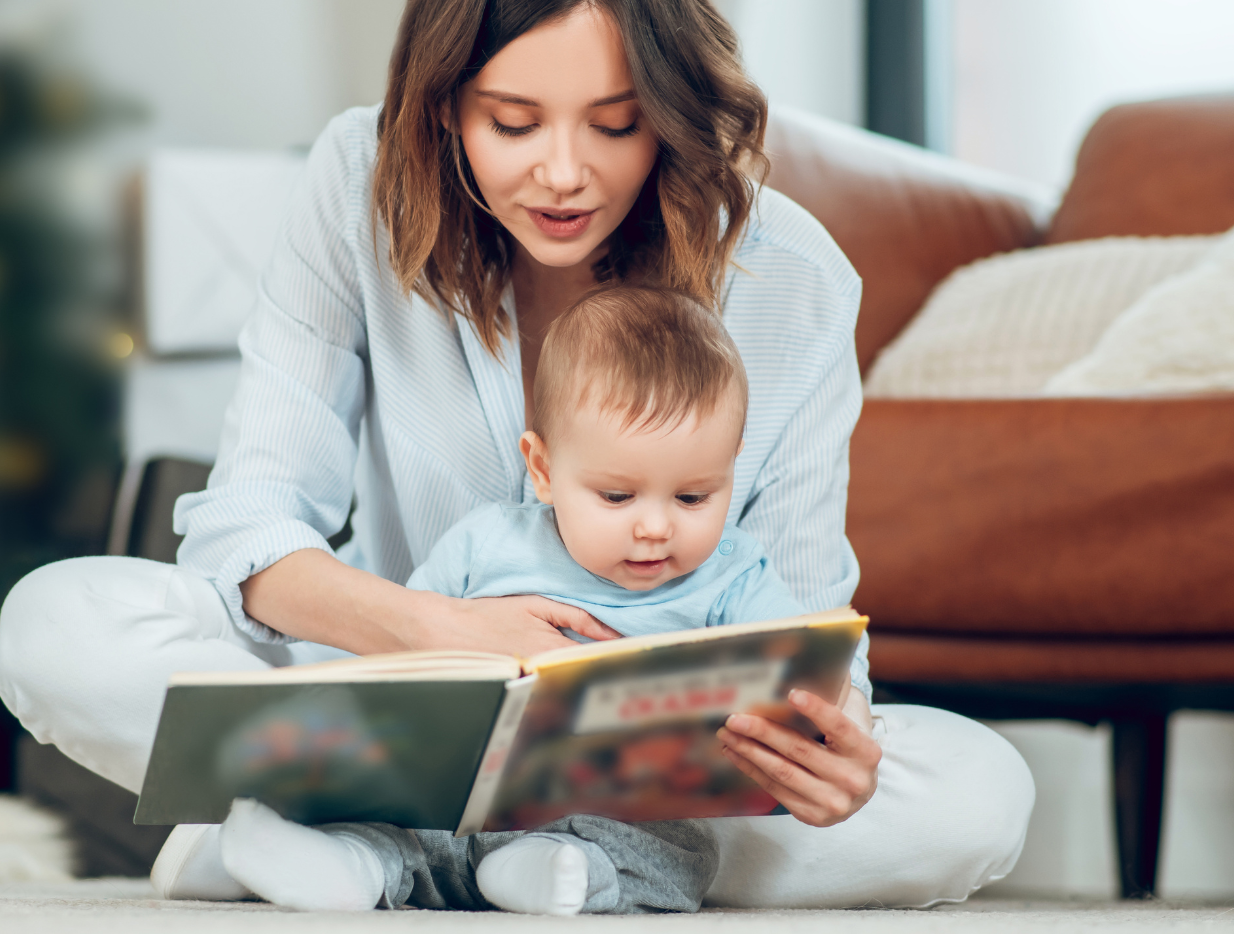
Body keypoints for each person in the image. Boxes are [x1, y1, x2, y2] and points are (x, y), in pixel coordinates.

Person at [0, 0, 1033, 909]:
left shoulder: (790, 277)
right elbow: (249, 531)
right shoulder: (359, 184)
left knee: (978, 795)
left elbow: (805, 626)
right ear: (446, 108)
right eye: (514, 122)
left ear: (670, 115)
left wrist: (829, 745)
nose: (564, 174)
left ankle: (318, 838)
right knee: (56, 626)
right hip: (388, 698)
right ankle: (442, 847)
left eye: (616, 126)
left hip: (653, 777)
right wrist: (436, 632)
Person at [221, 285, 816, 914]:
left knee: (681, 853)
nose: (655, 528)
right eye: (617, 497)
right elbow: (398, 663)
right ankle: (339, 866)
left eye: (693, 497)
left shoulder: (735, 576)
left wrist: (822, 712)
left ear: (730, 470)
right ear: (543, 468)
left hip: (624, 812)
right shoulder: (487, 545)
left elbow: (809, 668)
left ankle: (553, 873)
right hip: (461, 797)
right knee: (393, 825)